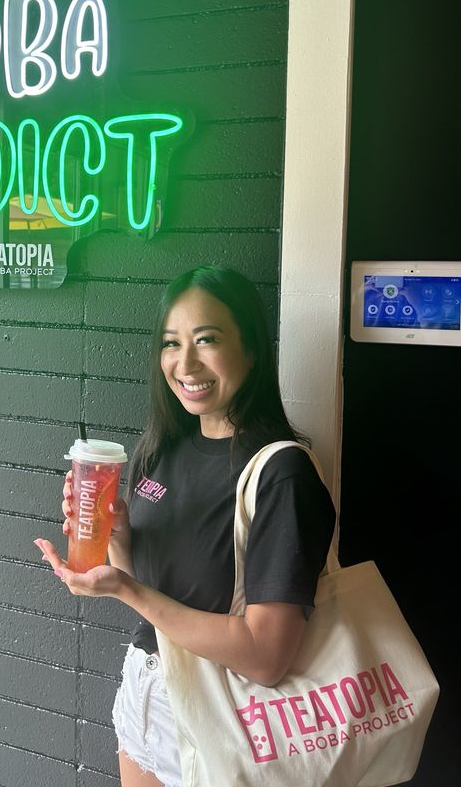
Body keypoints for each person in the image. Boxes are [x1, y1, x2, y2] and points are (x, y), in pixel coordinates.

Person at [35, 265, 336, 787]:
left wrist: (126, 589)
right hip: (146, 694)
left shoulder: (281, 473)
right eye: (171, 343)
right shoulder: (162, 450)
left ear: (251, 349)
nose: (186, 363)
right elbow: (153, 591)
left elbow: (266, 657)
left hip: (227, 714)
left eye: (207, 339)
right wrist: (118, 537)